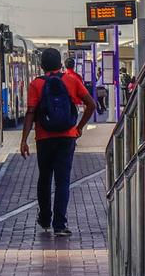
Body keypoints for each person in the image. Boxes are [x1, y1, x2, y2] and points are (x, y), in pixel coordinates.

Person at [20, 48, 96, 237]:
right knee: (63, 182)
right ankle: (60, 225)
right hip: (67, 137)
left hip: (44, 138)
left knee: (44, 178)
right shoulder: (71, 80)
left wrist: (24, 140)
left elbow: (30, 112)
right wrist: (79, 127)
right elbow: (91, 105)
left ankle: (45, 218)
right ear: (60, 64)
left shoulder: (36, 84)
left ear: (41, 66)